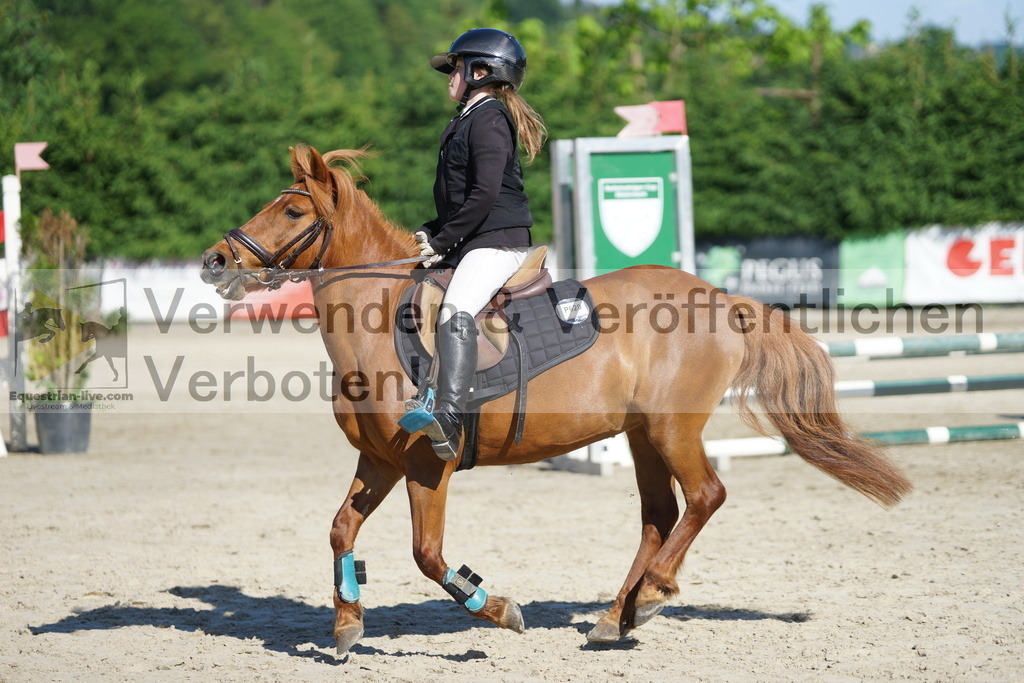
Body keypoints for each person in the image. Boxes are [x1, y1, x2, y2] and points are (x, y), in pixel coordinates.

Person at [401, 28, 547, 461]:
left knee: (455, 309)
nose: (449, 76)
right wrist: (433, 230)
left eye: (455, 68)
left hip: (497, 243)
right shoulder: (468, 117)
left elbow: (484, 196)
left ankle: (449, 416)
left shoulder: (489, 118)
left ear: (480, 71)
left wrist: (444, 241)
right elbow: (460, 198)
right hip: (474, 240)